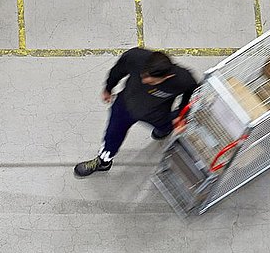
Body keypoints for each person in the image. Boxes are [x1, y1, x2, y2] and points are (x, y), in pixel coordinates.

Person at [74, 48, 198, 176]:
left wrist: (180, 115)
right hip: (125, 106)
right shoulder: (135, 57)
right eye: (143, 76)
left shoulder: (184, 80)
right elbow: (118, 70)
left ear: (168, 76)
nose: (144, 81)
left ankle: (163, 131)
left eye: (152, 82)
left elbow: (192, 94)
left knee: (167, 125)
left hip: (157, 113)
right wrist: (108, 87)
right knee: (112, 135)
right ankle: (103, 161)